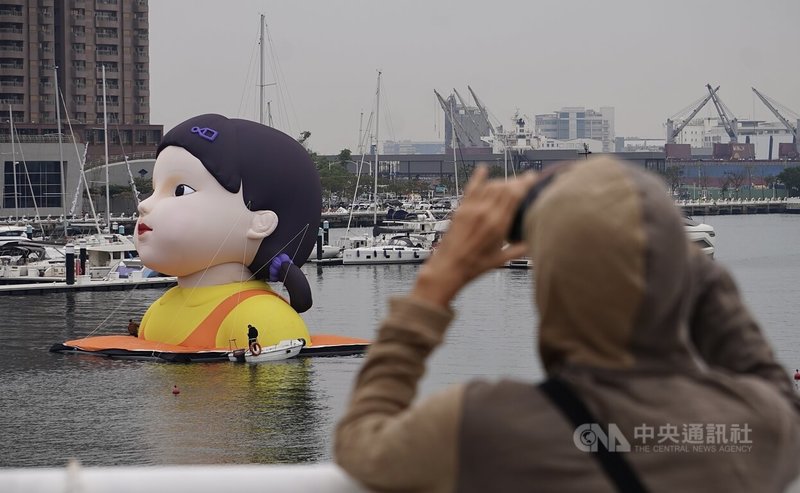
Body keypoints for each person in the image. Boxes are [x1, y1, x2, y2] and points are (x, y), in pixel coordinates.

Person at [335, 157, 800, 492]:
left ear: (553, 282)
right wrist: (661, 241)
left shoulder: (486, 425)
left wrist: (435, 286)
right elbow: (773, 386)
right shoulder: (755, 427)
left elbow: (361, 441)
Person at [133, 114, 320, 350]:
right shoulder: (161, 307)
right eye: (154, 189)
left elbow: (280, 387)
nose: (144, 204)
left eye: (181, 190)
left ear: (260, 222)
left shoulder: (264, 319)